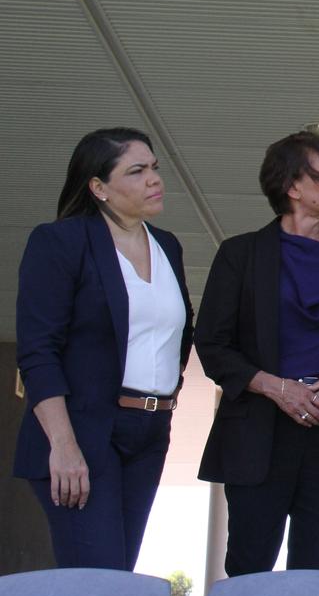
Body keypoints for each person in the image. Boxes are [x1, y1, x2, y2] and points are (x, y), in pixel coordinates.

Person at [196, 131, 319, 576]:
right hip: (259, 431)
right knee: (249, 568)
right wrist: (277, 387)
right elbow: (212, 344)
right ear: (291, 186)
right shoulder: (240, 254)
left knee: (316, 570)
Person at [14, 127, 194, 569]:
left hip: (151, 432)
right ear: (98, 187)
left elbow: (175, 337)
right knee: (98, 582)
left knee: (120, 577)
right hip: (84, 430)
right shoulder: (61, 242)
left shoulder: (167, 245)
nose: (154, 179)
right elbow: (38, 351)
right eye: (136, 171)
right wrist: (63, 443)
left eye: (154, 168)